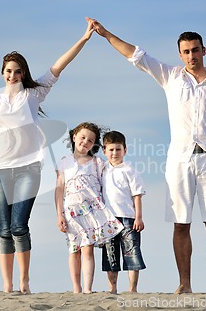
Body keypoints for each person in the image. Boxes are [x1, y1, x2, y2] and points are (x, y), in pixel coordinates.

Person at [87, 17, 206, 294]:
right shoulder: (171, 76)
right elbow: (136, 55)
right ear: (180, 54)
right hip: (180, 159)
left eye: (195, 50)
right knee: (181, 223)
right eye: (186, 51)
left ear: (204, 50)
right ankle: (185, 283)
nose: (191, 55)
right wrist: (105, 33)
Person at [0, 20, 95, 294]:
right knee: (4, 229)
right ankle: (7, 285)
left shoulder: (34, 94)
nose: (13, 75)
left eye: (17, 71)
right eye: (8, 71)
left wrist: (84, 38)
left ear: (23, 74)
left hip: (28, 169)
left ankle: (24, 281)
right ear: (2, 73)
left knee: (20, 226)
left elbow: (59, 66)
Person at [54, 122, 124, 294]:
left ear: (94, 144)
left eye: (90, 140)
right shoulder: (64, 162)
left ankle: (87, 289)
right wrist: (59, 215)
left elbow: (108, 183)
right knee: (74, 249)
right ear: (74, 137)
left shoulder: (97, 162)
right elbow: (59, 189)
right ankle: (76, 288)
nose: (85, 142)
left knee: (87, 249)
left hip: (92, 212)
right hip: (71, 213)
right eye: (83, 137)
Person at [101, 130, 146, 293]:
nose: (114, 153)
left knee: (132, 253)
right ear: (104, 151)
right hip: (108, 220)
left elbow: (137, 195)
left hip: (128, 218)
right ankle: (112, 288)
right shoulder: (102, 169)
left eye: (118, 149)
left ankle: (132, 289)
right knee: (110, 255)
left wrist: (138, 217)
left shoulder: (130, 170)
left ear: (125, 150)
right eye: (111, 149)